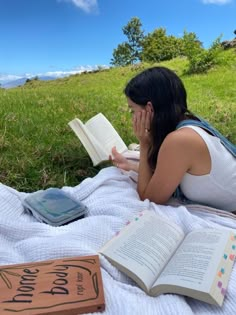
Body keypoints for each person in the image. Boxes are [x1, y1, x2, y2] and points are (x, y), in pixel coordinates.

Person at [111, 66, 236, 212]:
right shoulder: (188, 123)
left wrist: (144, 144)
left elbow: (149, 200)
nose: (132, 117)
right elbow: (166, 173)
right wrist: (130, 166)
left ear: (149, 109)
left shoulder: (179, 141)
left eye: (133, 110)